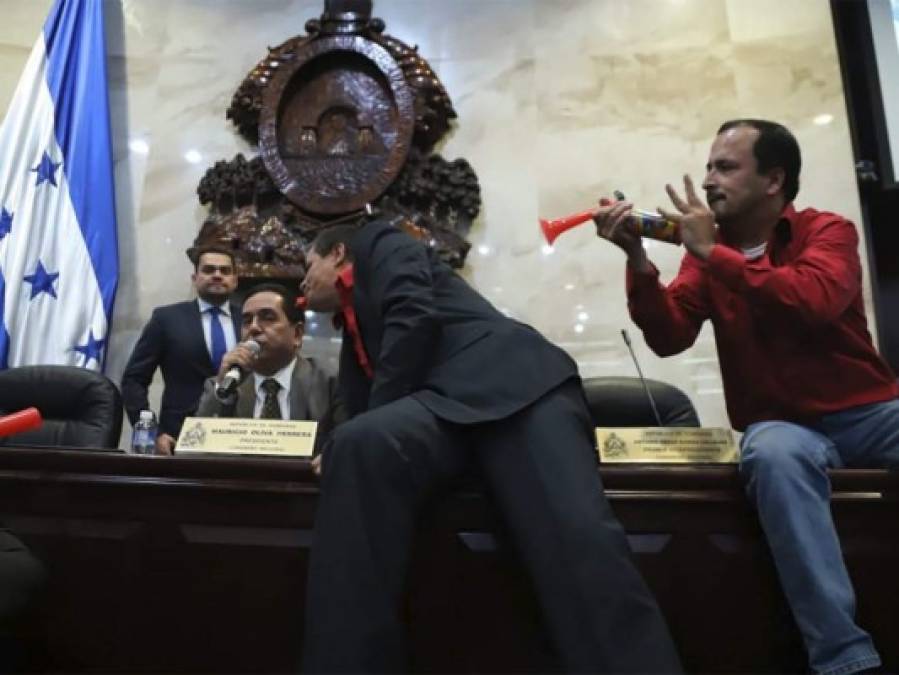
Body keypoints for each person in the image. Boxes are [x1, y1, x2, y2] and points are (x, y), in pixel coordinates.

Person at [299, 220, 682, 673]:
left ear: (338, 253)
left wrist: (376, 417)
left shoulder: (380, 242)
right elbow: (352, 401)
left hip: (516, 388)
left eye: (307, 267)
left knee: (578, 542)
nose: (301, 283)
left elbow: (412, 313)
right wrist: (334, 444)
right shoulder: (353, 324)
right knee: (358, 445)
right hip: (442, 410)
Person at [593, 118, 899, 675]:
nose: (708, 180)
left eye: (725, 167)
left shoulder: (827, 231)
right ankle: (845, 660)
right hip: (786, 427)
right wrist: (639, 261)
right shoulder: (704, 255)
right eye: (709, 165)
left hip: (870, 414)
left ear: (774, 180)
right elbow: (669, 336)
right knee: (770, 454)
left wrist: (716, 255)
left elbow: (812, 300)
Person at [195, 283, 345, 453]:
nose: (253, 328)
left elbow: (346, 450)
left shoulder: (329, 381)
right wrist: (223, 394)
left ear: (297, 334)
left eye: (268, 318)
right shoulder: (222, 386)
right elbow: (197, 450)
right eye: (246, 321)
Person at [121, 246, 241, 455]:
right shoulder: (167, 319)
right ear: (195, 277)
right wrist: (152, 433)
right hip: (178, 437)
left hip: (240, 435)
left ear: (235, 280)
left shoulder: (250, 320)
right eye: (209, 270)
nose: (217, 275)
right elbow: (134, 380)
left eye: (225, 271)